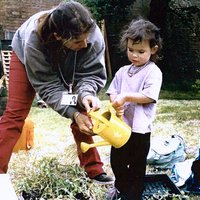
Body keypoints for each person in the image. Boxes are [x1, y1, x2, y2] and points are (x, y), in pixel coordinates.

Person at [0, 1, 113, 184]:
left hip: (65, 53)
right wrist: (72, 114)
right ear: (58, 36)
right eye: (78, 41)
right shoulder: (33, 40)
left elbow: (90, 74)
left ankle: (94, 170)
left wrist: (86, 95)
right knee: (15, 115)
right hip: (24, 56)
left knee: (84, 112)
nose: (85, 44)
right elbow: (48, 86)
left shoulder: (91, 35)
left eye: (86, 37)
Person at [106, 18, 163, 199]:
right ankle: (121, 189)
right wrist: (116, 101)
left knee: (137, 166)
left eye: (141, 51)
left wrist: (126, 96)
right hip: (121, 128)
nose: (134, 55)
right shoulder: (123, 71)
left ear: (153, 50)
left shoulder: (153, 71)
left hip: (140, 130)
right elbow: (113, 91)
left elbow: (149, 96)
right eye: (131, 50)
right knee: (117, 161)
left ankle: (134, 195)